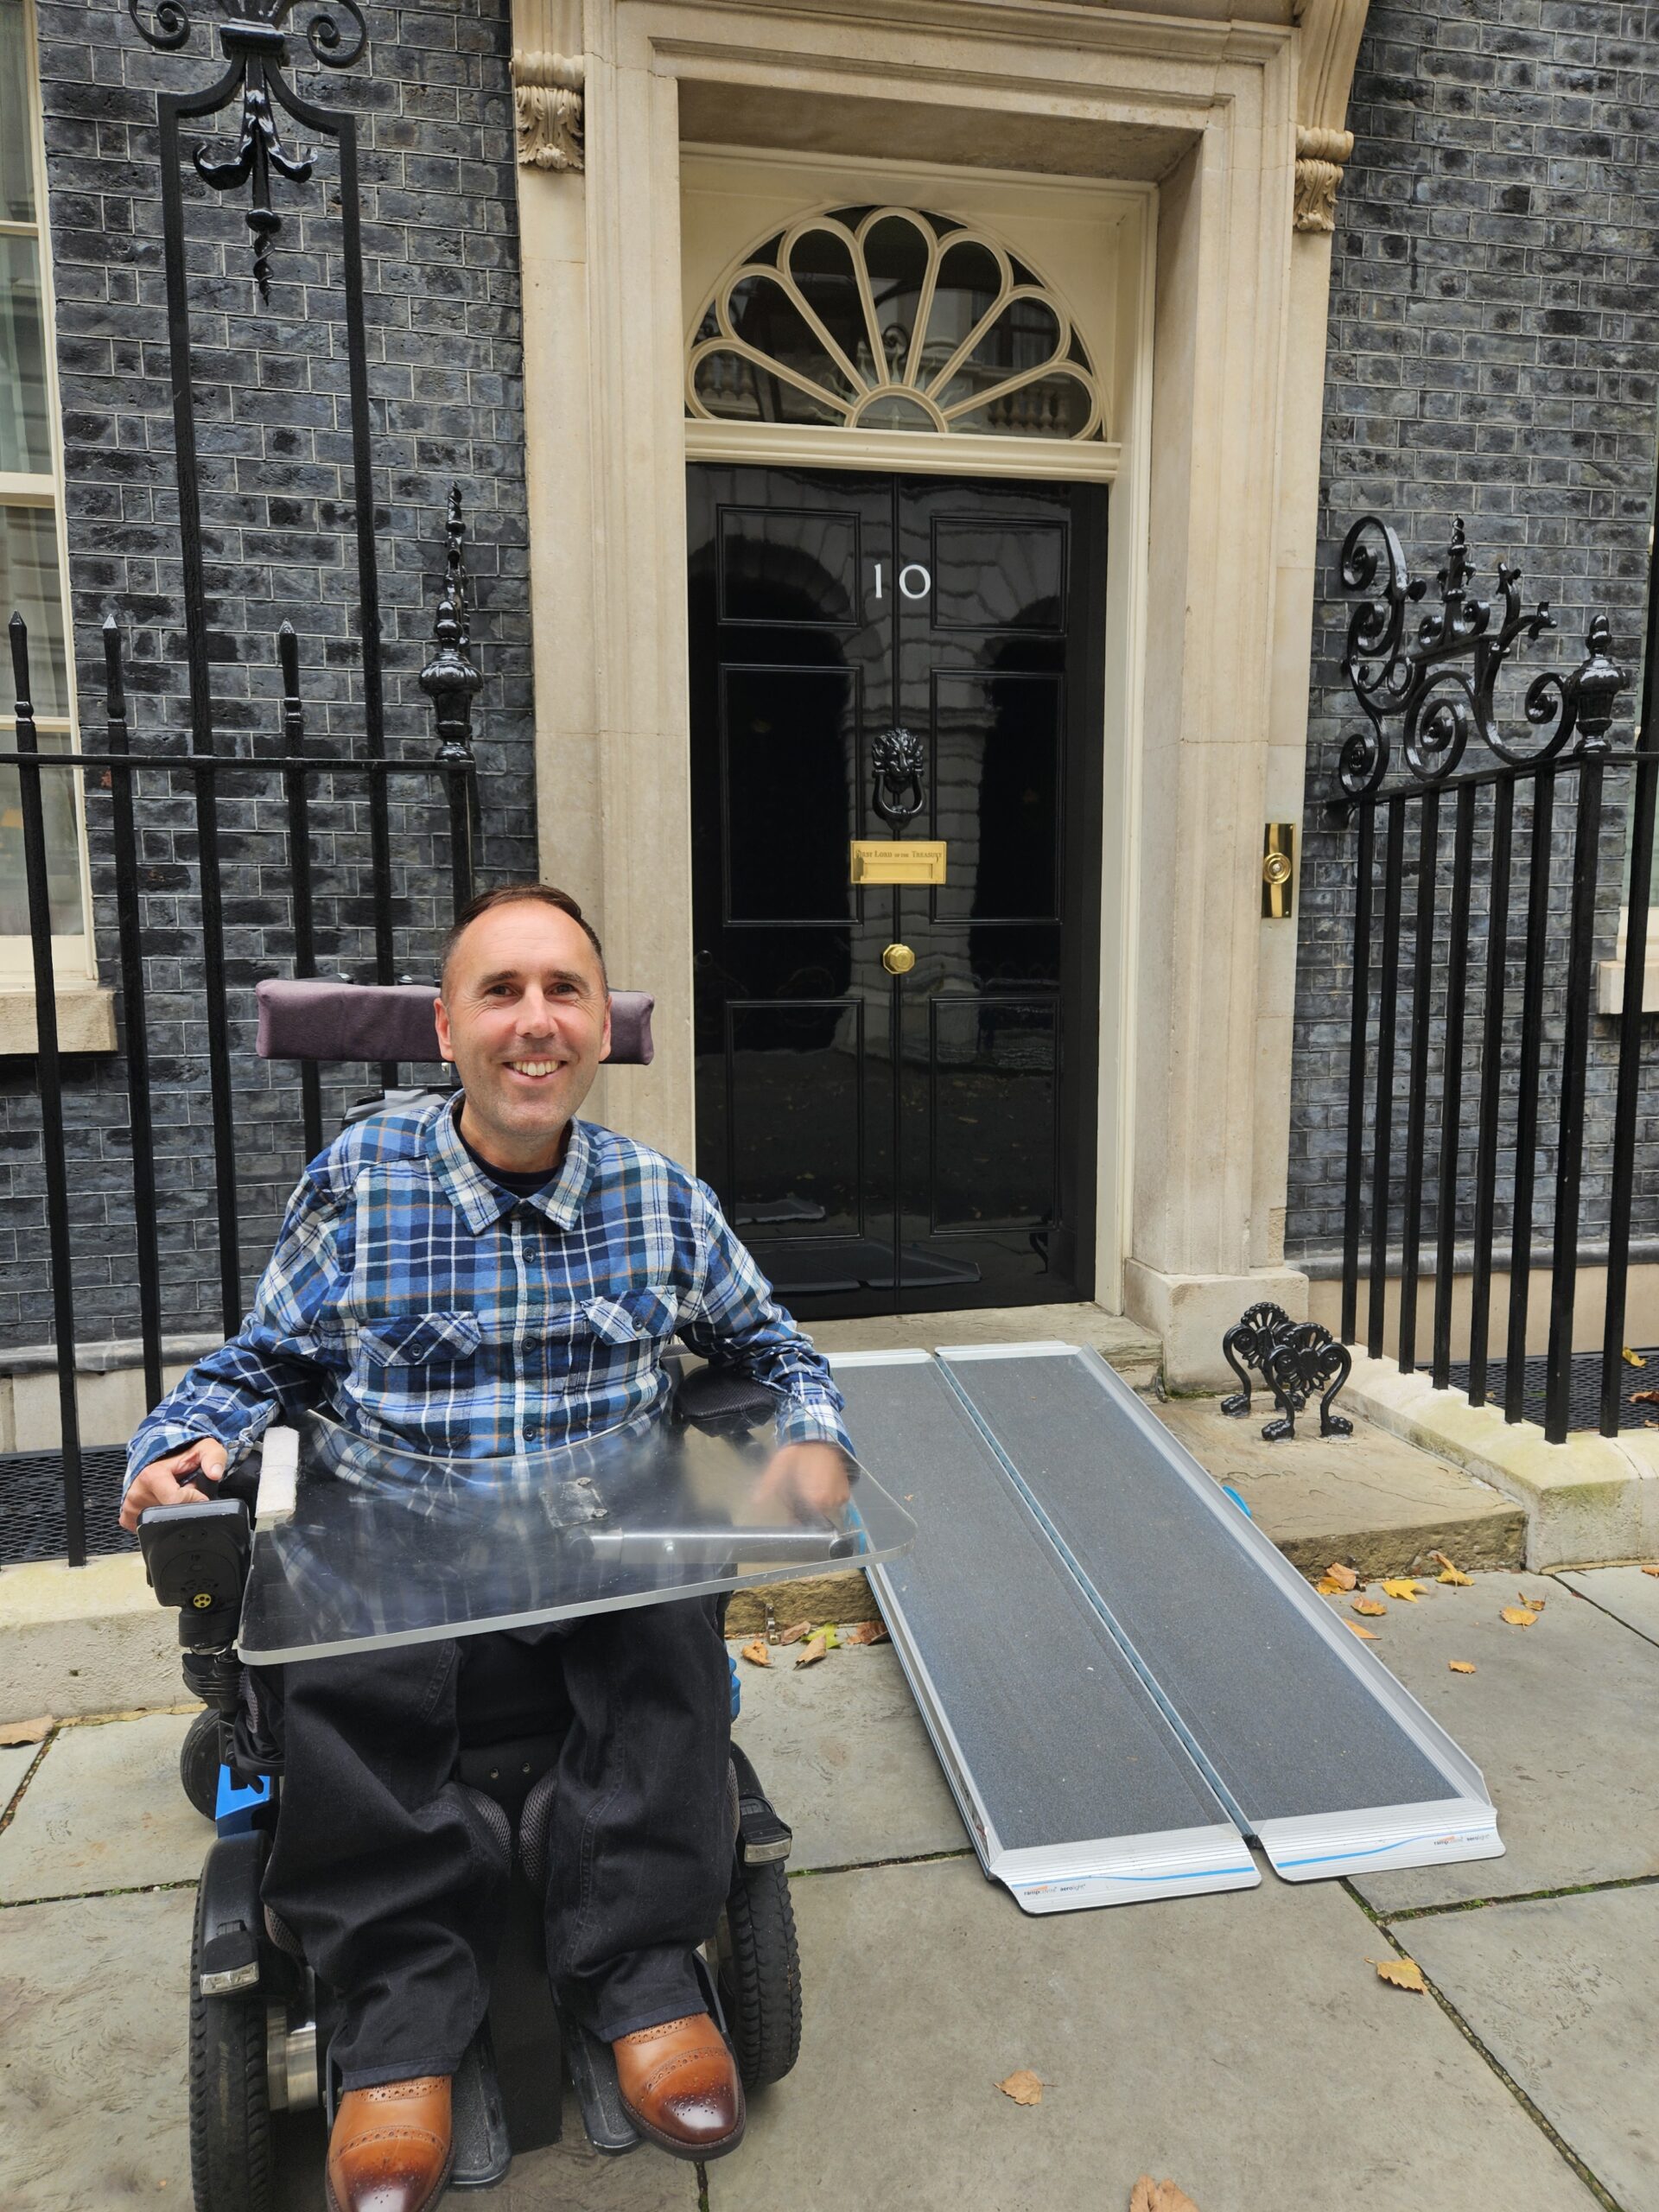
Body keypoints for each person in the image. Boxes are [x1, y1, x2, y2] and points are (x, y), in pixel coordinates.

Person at [120, 883, 851, 2212]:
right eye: (501, 993)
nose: (535, 1022)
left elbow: (778, 1348)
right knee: (348, 1648)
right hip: (404, 1542)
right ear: (447, 1028)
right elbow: (260, 1362)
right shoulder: (360, 1182)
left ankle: (636, 1969)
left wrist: (807, 1437)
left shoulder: (661, 1202)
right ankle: (401, 2020)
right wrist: (181, 1445)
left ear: (602, 1031)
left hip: (596, 1538)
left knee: (667, 1613)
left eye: (564, 991)